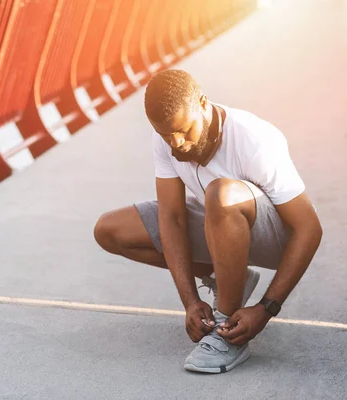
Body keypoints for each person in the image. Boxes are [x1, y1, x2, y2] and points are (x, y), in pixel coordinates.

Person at [93, 69, 322, 373]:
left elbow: (308, 229)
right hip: (221, 227)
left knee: (221, 193)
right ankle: (225, 278)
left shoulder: (252, 139)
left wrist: (265, 309)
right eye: (166, 135)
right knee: (110, 230)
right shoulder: (167, 137)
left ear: (202, 102)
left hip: (274, 238)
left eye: (184, 131)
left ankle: (228, 331)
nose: (176, 144)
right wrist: (189, 300)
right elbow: (171, 218)